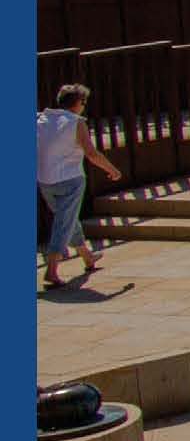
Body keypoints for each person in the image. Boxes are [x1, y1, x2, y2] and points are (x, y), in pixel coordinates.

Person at [36, 84, 120, 290]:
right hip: (70, 179)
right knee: (63, 223)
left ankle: (87, 257)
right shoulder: (76, 122)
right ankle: (52, 270)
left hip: (45, 179)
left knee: (67, 219)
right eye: (84, 102)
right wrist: (112, 169)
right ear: (79, 103)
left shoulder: (42, 119)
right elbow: (91, 154)